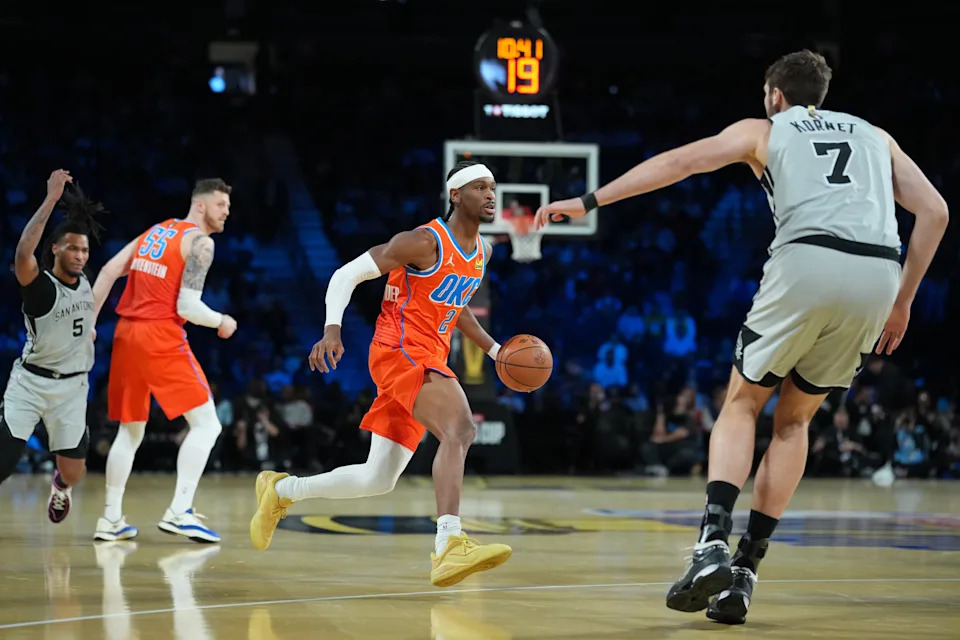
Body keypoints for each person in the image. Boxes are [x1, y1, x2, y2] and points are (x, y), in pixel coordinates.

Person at [535, 50, 949, 624]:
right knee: (796, 421)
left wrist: (587, 201)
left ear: (775, 94)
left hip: (808, 255)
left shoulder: (765, 128)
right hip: (878, 272)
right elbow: (936, 212)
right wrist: (902, 300)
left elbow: (681, 163)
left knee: (742, 401)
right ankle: (745, 575)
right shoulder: (876, 136)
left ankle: (710, 544)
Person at [249, 161, 513, 588]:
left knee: (378, 478)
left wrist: (495, 349)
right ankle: (448, 544)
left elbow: (456, 304)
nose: (490, 194)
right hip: (399, 350)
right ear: (455, 195)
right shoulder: (424, 241)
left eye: (493, 187)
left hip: (428, 355)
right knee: (461, 429)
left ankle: (281, 491)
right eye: (480, 187)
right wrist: (331, 329)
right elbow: (346, 273)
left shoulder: (482, 252)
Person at [90, 178, 238, 543]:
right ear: (201, 206)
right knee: (207, 425)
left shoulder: (156, 231)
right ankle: (180, 511)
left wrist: (88, 326)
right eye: (221, 205)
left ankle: (110, 519)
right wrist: (222, 321)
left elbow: (108, 270)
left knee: (131, 429)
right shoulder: (201, 243)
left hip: (126, 333)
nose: (227, 212)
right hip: (159, 335)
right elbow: (186, 306)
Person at [0, 170, 104, 523]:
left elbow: (80, 317)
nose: (79, 255)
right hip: (31, 383)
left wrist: (86, 332)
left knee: (75, 473)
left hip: (72, 388)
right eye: (72, 248)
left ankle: (59, 486)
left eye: (84, 250)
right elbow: (23, 252)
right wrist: (51, 199)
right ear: (56, 248)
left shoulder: (84, 281)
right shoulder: (40, 287)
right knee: (2, 464)